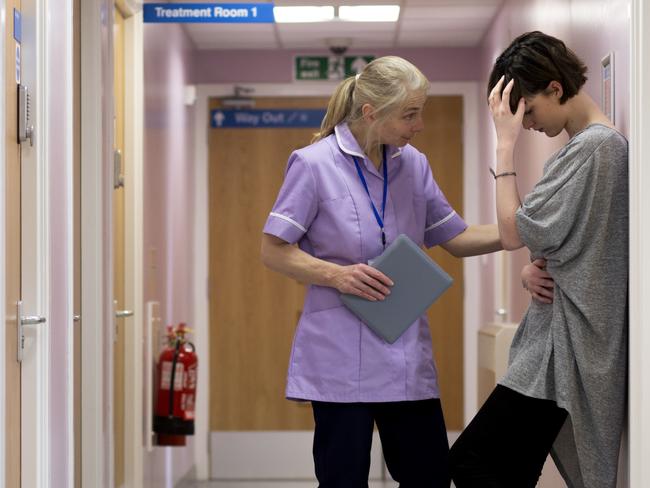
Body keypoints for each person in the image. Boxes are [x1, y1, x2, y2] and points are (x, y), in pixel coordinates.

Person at [260, 56, 501, 487]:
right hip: (339, 354)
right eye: (410, 114)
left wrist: (527, 230)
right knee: (343, 480)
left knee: (428, 477)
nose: (420, 124)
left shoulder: (414, 164)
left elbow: (457, 238)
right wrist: (335, 275)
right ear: (371, 112)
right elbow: (274, 250)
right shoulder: (313, 164)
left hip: (403, 354)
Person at [449, 31, 628, 488]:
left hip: (565, 349)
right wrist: (536, 264)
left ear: (554, 87)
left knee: (474, 461)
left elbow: (512, 231)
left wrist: (503, 146)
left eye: (526, 110)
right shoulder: (581, 150)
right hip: (555, 344)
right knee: (502, 465)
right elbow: (549, 238)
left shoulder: (596, 148)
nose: (524, 123)